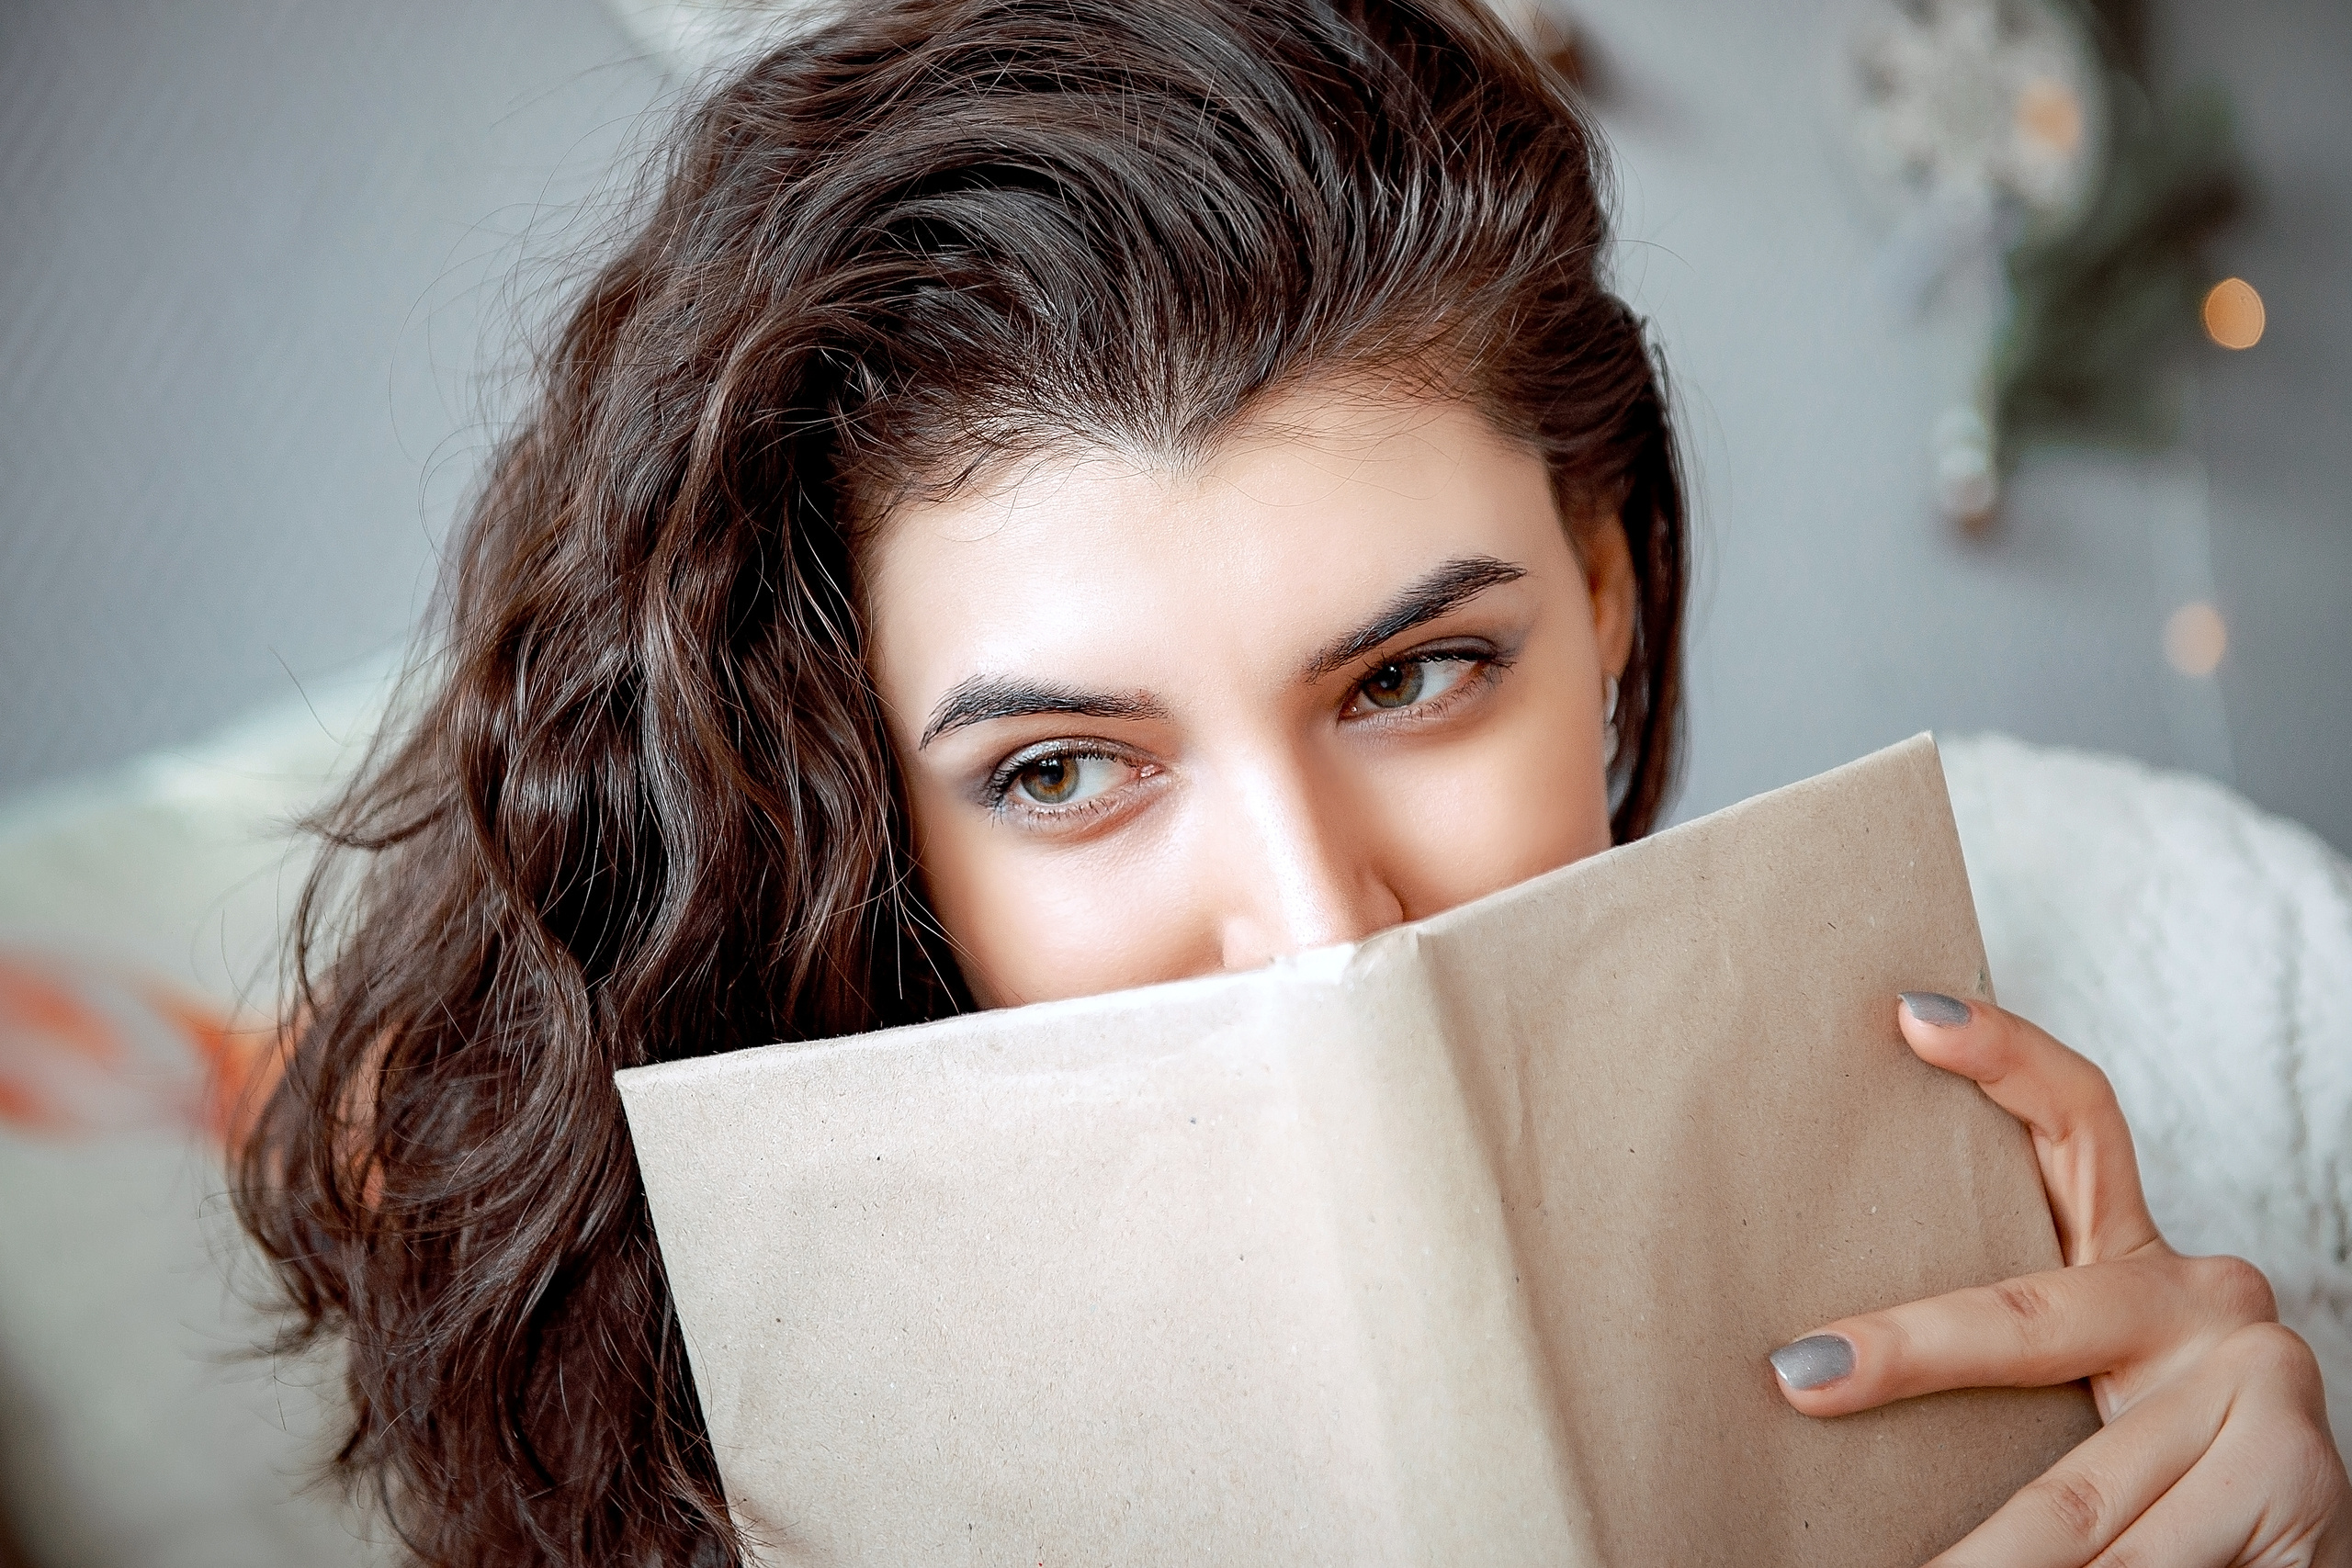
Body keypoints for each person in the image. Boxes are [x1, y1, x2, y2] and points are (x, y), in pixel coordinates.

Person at [234, 0, 2349, 1563]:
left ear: (1603, 591)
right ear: (859, 811)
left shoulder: (2179, 954)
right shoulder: (705, 1416)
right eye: (1062, 768)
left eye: (1415, 673)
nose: (1319, 925)